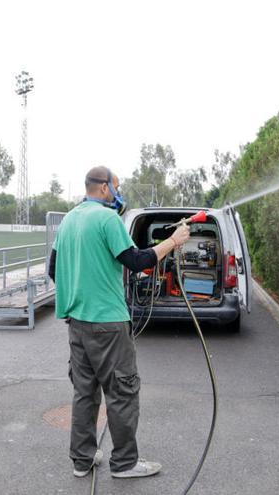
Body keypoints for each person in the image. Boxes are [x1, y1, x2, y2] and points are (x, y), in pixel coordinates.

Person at [48, 166, 190, 479]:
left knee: (85, 393)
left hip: (77, 323)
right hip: (109, 324)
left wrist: (78, 291)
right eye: (117, 186)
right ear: (103, 188)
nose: (118, 192)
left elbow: (53, 269)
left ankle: (82, 460)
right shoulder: (108, 219)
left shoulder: (69, 219)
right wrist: (174, 241)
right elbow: (136, 261)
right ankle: (125, 463)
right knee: (122, 393)